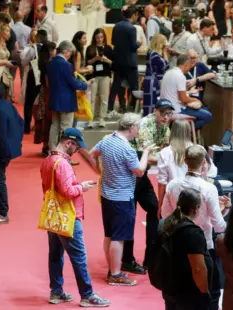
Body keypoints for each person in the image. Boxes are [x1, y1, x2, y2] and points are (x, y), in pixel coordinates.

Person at [41, 128, 111, 307]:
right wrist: (83, 187)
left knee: (55, 255)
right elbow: (68, 191)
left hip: (53, 215)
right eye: (77, 147)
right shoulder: (63, 164)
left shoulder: (48, 159)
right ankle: (87, 295)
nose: (77, 151)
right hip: (68, 216)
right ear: (68, 143)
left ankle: (56, 291)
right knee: (79, 256)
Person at [90, 113, 158, 286]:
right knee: (118, 238)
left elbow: (92, 154)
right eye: (137, 128)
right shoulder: (127, 149)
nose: (138, 131)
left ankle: (112, 269)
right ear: (132, 128)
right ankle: (115, 274)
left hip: (107, 195)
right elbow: (140, 172)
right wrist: (146, 153)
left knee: (109, 234)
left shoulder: (107, 139)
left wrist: (100, 171)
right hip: (122, 197)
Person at [162, 145, 227, 310]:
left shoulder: (172, 185)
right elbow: (219, 226)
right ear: (204, 163)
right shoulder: (209, 188)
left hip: (176, 245)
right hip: (203, 245)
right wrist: (225, 212)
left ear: (185, 161)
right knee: (208, 294)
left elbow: (165, 216)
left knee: (176, 294)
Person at [123, 99, 173, 273]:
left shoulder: (166, 129)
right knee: (129, 216)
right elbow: (147, 156)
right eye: (163, 113)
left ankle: (151, 258)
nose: (166, 117)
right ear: (155, 111)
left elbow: (163, 154)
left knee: (155, 210)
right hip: (129, 174)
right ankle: (126, 259)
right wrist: (173, 158)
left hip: (142, 175)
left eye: (169, 113)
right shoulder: (145, 125)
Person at [160, 188, 214, 310]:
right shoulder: (192, 233)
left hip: (170, 287)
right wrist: (205, 293)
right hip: (188, 293)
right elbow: (198, 268)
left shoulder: (166, 223)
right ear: (197, 208)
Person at [0, 81, 24, 224]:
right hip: (7, 149)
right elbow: (21, 122)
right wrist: (16, 141)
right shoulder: (8, 105)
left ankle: (2, 212)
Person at [46, 40, 88, 151]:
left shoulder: (50, 63)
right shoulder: (67, 65)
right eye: (71, 53)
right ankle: (63, 153)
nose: (70, 55)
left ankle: (52, 149)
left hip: (54, 98)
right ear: (67, 51)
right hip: (66, 101)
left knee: (54, 126)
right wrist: (85, 85)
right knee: (66, 128)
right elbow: (73, 83)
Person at [160, 54, 211, 130]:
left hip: (164, 108)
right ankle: (185, 134)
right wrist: (196, 100)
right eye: (189, 66)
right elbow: (184, 100)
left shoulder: (168, 73)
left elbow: (174, 93)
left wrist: (188, 92)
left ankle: (181, 131)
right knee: (208, 115)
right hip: (175, 110)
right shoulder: (180, 76)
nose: (189, 69)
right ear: (186, 64)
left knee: (201, 111)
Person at [110, 6, 141, 113]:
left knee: (118, 85)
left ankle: (119, 105)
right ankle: (131, 107)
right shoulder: (132, 28)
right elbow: (133, 46)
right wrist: (139, 43)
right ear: (133, 15)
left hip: (118, 61)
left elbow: (113, 42)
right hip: (130, 62)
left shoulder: (116, 26)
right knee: (133, 86)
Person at [85, 28, 114, 128]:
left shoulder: (108, 48)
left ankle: (102, 118)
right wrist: (95, 59)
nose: (100, 39)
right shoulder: (90, 48)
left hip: (105, 76)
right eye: (97, 37)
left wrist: (105, 59)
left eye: (101, 37)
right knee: (92, 98)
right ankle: (90, 119)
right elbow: (87, 62)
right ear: (94, 38)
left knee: (104, 98)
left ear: (104, 37)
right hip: (93, 76)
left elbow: (113, 63)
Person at [143, 34, 169, 116]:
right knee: (152, 104)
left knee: (149, 104)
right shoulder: (155, 55)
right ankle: (151, 124)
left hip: (150, 81)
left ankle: (148, 124)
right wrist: (165, 53)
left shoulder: (150, 53)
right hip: (153, 82)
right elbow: (165, 67)